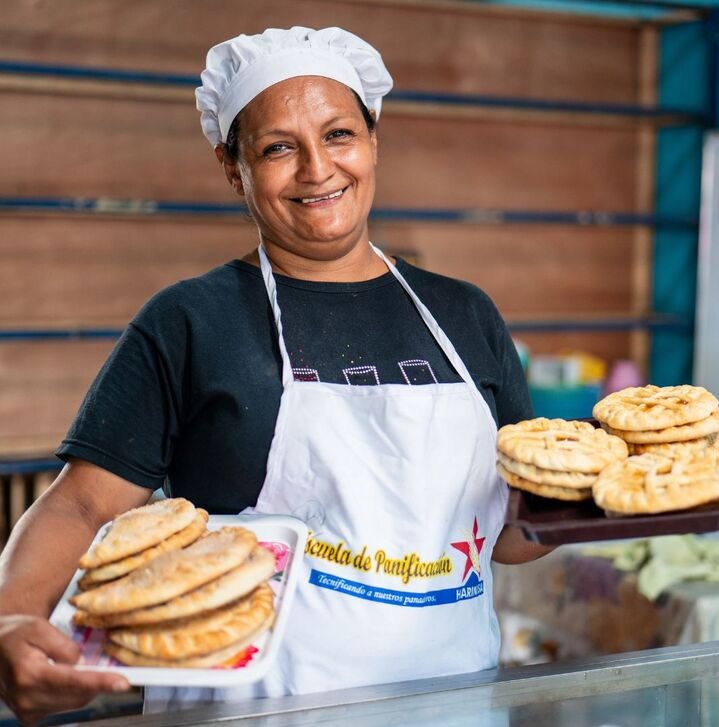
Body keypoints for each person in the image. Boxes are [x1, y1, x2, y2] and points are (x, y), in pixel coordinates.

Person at [0, 26, 553, 724]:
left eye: (339, 135)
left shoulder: (465, 315)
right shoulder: (191, 320)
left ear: (373, 139)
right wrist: (11, 620)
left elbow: (505, 533)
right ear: (233, 169)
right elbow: (82, 504)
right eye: (277, 148)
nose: (317, 169)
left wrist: (603, 506)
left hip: (453, 708)